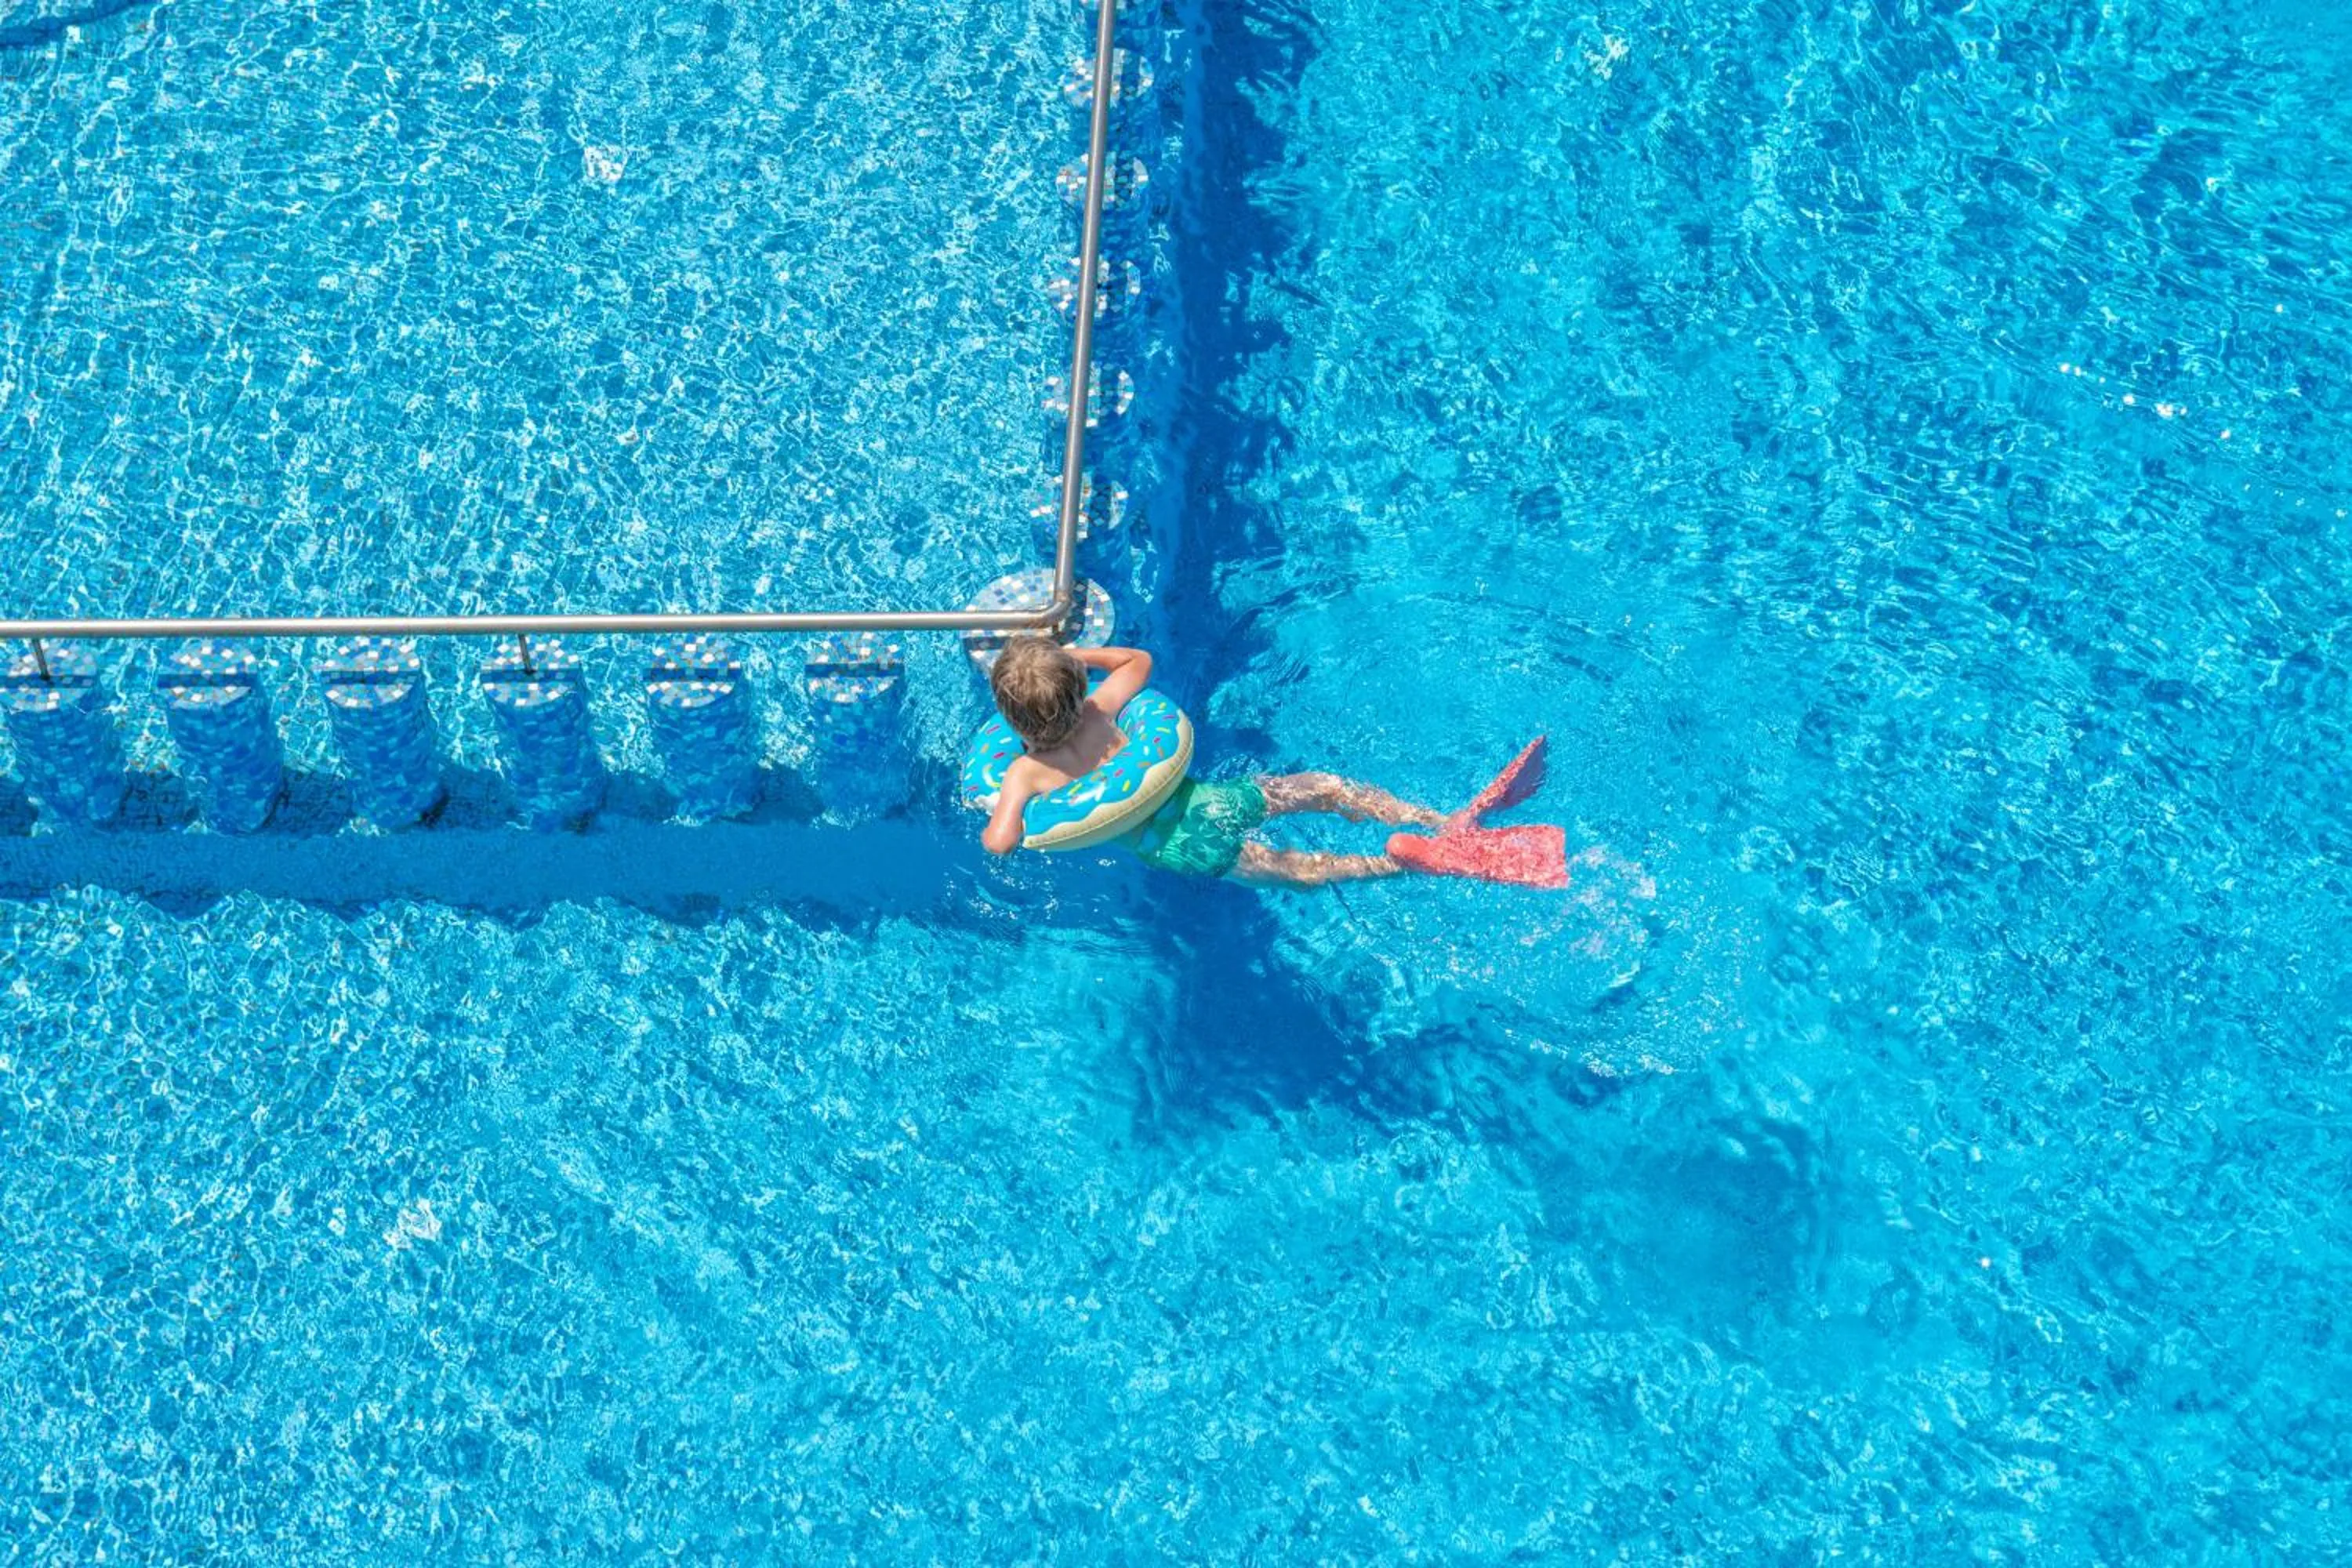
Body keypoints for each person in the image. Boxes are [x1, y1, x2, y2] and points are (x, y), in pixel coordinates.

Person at [982, 637, 1563, 889]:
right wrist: (1072, 655)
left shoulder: (1026, 773)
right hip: (1207, 798)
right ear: (1079, 683)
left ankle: (1404, 865)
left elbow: (1001, 841)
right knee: (1318, 787)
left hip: (1182, 846)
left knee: (1300, 869)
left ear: (1011, 722)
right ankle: (1439, 820)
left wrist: (999, 810)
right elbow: (1137, 660)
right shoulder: (1101, 711)